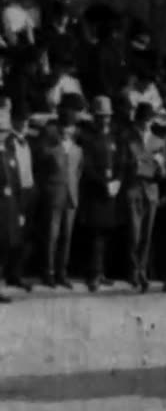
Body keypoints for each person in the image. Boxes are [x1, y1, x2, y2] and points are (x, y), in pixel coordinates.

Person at [34, 97, 84, 289]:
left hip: (71, 195)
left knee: (66, 236)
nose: (69, 130)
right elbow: (41, 164)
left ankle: (62, 272)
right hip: (53, 192)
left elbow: (79, 170)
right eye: (75, 111)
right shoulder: (50, 140)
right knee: (51, 235)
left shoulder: (77, 145)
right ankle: (49, 272)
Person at [121, 102, 166, 292]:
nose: (147, 123)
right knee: (134, 233)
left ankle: (142, 270)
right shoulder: (128, 139)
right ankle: (133, 270)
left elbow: (163, 173)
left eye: (150, 119)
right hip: (134, 187)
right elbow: (123, 164)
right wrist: (135, 163)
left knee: (147, 234)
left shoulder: (158, 141)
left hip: (151, 189)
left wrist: (159, 165)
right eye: (144, 119)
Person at [80, 95, 123, 292]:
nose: (104, 120)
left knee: (106, 234)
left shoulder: (114, 137)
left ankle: (102, 271)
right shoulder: (88, 138)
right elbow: (87, 167)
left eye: (106, 116)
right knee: (95, 235)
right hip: (95, 193)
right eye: (100, 116)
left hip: (111, 191)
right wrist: (102, 183)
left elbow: (121, 162)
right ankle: (93, 274)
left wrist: (118, 181)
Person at [4, 108, 35, 292]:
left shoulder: (27, 141)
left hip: (29, 190)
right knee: (12, 235)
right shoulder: (9, 142)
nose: (24, 124)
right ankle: (9, 274)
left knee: (25, 236)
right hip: (15, 192)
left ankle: (16, 274)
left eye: (26, 120)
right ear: (14, 121)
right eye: (21, 120)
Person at [0, 111, 22, 303]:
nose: (3, 134)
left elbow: (16, 181)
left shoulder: (9, 153)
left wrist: (19, 209)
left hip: (9, 208)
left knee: (6, 247)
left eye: (5, 131)